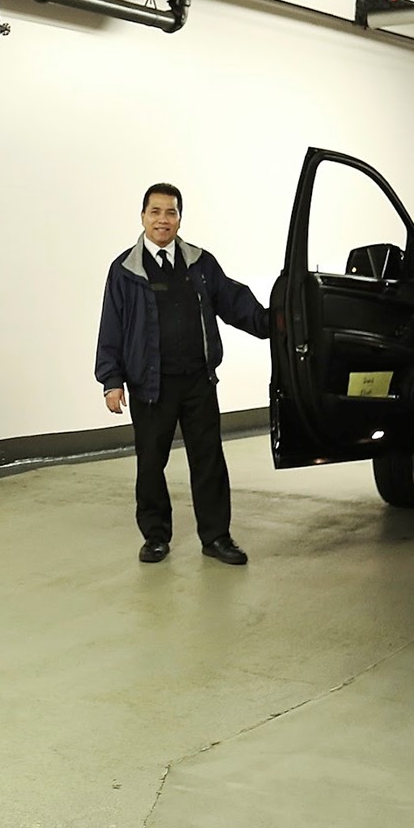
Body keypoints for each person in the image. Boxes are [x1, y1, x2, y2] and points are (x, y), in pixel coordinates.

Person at [96, 183, 272, 565]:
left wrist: (270, 321)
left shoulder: (200, 264)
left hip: (197, 381)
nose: (163, 220)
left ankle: (216, 537)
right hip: (150, 385)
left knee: (209, 461)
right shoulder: (125, 270)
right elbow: (111, 327)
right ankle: (155, 537)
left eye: (171, 212)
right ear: (143, 217)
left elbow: (233, 301)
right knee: (150, 463)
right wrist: (111, 380)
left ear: (179, 218)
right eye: (155, 212)